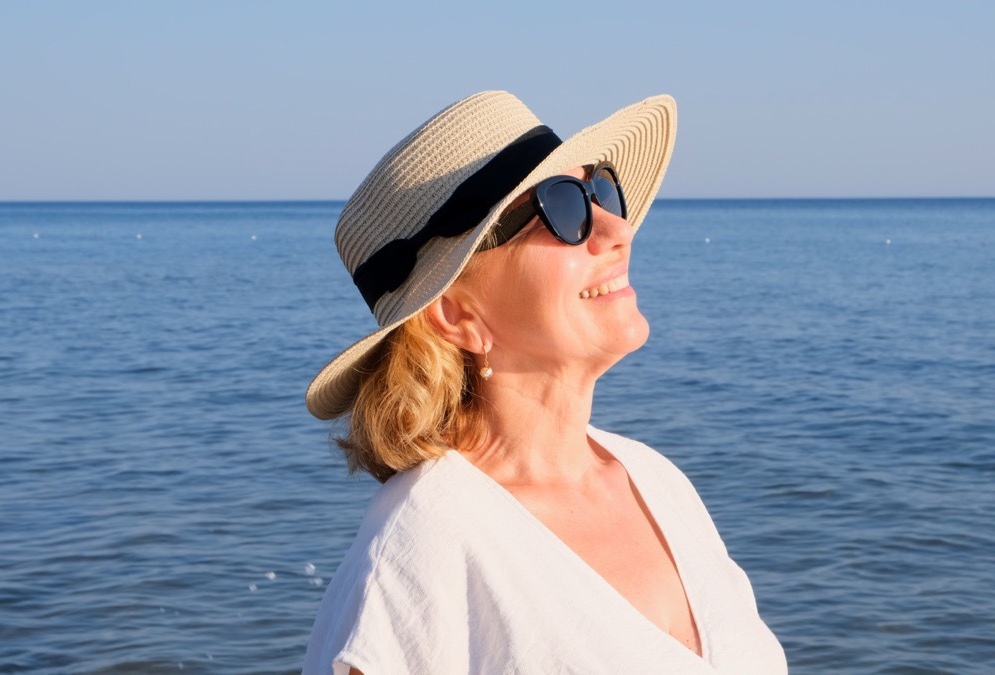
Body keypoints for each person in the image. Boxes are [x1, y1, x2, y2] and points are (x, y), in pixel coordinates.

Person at [302, 91, 787, 674]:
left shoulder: (657, 482)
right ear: (457, 315)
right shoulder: (423, 546)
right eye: (563, 207)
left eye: (601, 189)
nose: (617, 229)